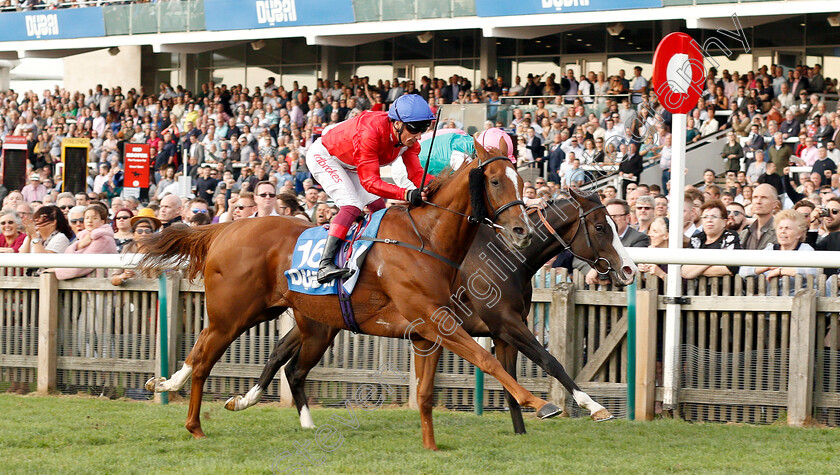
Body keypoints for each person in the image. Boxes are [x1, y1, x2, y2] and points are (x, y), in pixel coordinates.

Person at [306, 94, 434, 283]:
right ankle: (325, 265)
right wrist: (406, 193)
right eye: (415, 129)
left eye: (424, 128)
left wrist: (440, 186)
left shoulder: (409, 140)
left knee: (380, 210)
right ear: (397, 124)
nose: (419, 136)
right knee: (352, 206)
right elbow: (370, 182)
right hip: (325, 156)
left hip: (352, 164)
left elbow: (417, 175)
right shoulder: (371, 131)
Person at [573, 198, 649, 286]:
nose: (611, 220)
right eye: (608, 216)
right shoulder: (596, 236)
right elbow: (578, 259)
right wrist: (590, 270)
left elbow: (628, 266)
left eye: (616, 216)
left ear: (627, 218)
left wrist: (597, 271)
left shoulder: (639, 238)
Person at [740, 209, 816, 293]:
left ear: (798, 234)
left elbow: (811, 271)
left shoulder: (805, 249)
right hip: (770, 300)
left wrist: (779, 271)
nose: (783, 231)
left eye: (788, 228)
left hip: (798, 300)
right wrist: (767, 266)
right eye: (780, 228)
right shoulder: (770, 249)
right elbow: (743, 271)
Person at [54, 204, 118, 280]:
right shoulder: (84, 237)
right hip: (86, 285)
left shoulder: (104, 238)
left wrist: (57, 271)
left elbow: (85, 264)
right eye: (87, 218)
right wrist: (79, 246)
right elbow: (67, 257)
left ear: (102, 221)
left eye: (94, 218)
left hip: (99, 286)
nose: (90, 221)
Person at [682, 199, 741, 278]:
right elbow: (685, 272)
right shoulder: (697, 238)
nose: (709, 220)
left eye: (714, 217)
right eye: (705, 217)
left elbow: (730, 268)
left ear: (724, 222)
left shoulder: (729, 236)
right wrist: (712, 261)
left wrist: (696, 270)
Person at [740, 183, 778, 250]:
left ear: (774, 204)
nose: (758, 201)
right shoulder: (744, 233)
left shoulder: (780, 232)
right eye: (755, 197)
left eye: (764, 197)